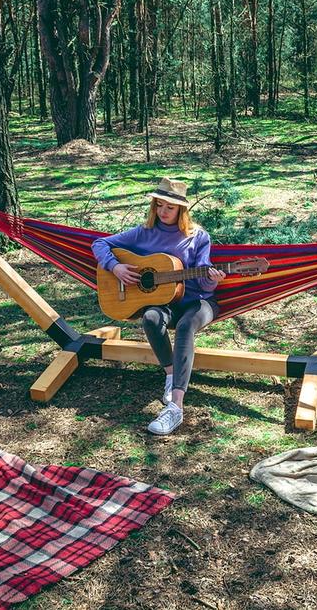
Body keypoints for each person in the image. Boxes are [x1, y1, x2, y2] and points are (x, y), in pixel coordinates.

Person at [91, 177, 225, 435]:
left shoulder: (197, 237)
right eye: (159, 205)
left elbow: (205, 282)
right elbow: (100, 243)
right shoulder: (144, 233)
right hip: (165, 302)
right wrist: (115, 266)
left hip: (199, 302)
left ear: (181, 210)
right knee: (151, 318)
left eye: (169, 207)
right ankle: (170, 374)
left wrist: (211, 280)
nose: (163, 211)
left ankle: (175, 407)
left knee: (186, 326)